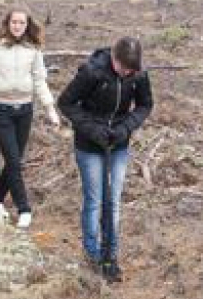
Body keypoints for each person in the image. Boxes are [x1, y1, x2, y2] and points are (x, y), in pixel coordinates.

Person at [57, 37, 153, 282]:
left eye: (132, 70)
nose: (127, 73)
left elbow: (145, 105)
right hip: (89, 144)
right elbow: (65, 103)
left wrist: (125, 128)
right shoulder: (92, 71)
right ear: (114, 58)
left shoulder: (138, 75)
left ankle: (111, 254)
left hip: (118, 143)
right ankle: (93, 254)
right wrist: (92, 129)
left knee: (114, 200)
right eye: (123, 68)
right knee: (95, 200)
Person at [0, 7, 60, 230]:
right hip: (0, 110)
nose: (18, 26)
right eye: (14, 22)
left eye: (22, 23)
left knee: (14, 161)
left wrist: (50, 109)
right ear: (7, 23)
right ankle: (24, 208)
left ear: (27, 26)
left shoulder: (33, 50)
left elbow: (39, 80)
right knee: (14, 161)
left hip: (25, 110)